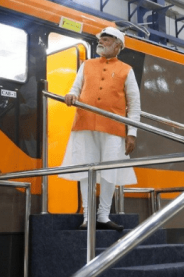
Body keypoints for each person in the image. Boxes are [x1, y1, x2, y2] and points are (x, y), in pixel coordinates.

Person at [60, 26, 141, 231]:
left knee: (110, 170)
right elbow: (76, 87)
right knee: (85, 169)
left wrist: (131, 133)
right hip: (85, 123)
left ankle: (103, 216)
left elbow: (134, 104)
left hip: (113, 127)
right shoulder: (86, 65)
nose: (101, 42)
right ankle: (87, 216)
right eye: (101, 39)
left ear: (118, 46)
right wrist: (71, 94)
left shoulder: (126, 70)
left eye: (106, 39)